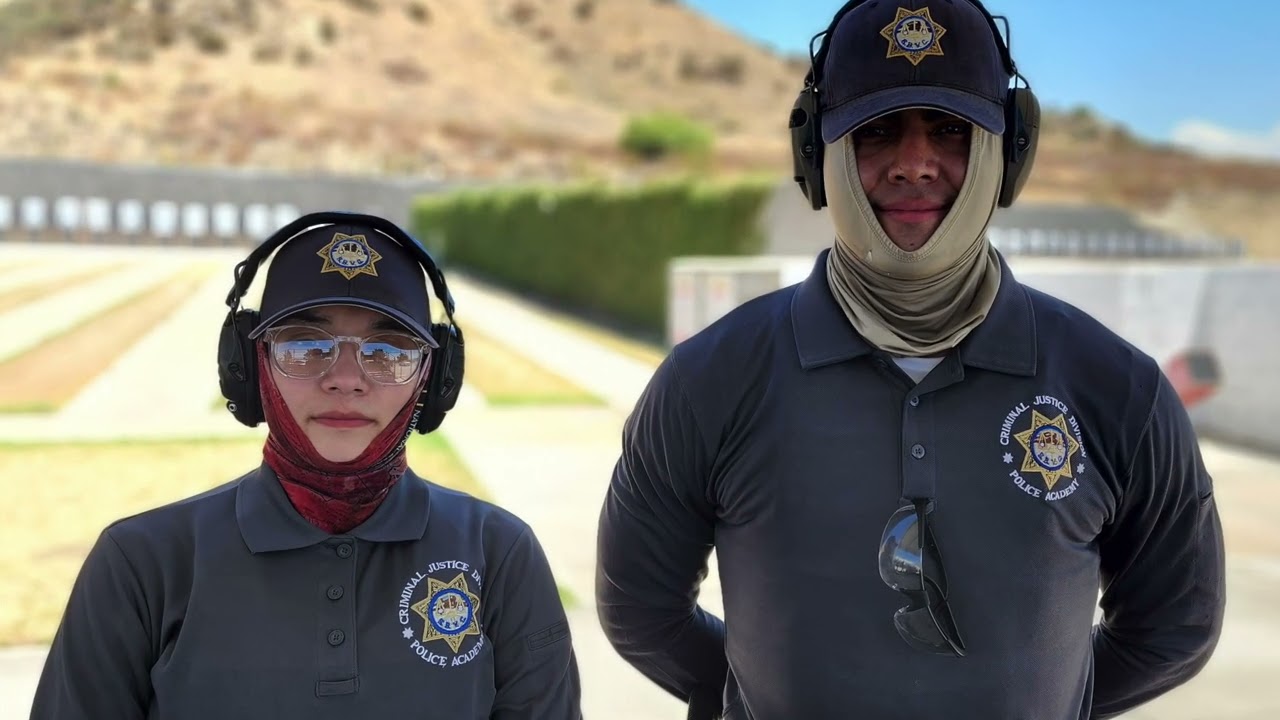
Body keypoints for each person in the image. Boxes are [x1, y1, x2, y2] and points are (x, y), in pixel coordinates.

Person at [594, 2, 1226, 719]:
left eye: (951, 129)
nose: (914, 164)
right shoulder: (707, 380)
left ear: (1008, 153)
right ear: (818, 155)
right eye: (876, 130)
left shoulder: (1119, 389)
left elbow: (1176, 626)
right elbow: (640, 610)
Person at [32, 211, 582, 719]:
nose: (345, 378)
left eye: (389, 351)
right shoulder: (141, 565)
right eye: (304, 346)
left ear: (433, 377)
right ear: (252, 365)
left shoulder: (499, 555)